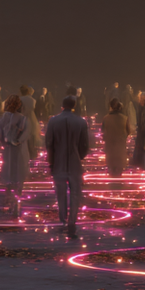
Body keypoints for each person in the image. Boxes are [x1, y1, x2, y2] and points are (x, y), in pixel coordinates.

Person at [45, 95, 90, 240]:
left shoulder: (53, 121)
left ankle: (63, 219)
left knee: (61, 193)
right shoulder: (81, 122)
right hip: (75, 162)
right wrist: (79, 156)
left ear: (62, 105)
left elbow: (49, 143)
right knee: (76, 193)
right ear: (74, 105)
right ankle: (72, 220)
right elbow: (84, 145)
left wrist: (51, 161)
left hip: (58, 161)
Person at [0, 95, 30, 217]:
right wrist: (17, 141)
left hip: (7, 150)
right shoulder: (23, 119)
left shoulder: (1, 119)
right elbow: (26, 134)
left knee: (9, 175)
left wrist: (5, 143)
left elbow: (0, 136)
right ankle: (17, 201)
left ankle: (10, 201)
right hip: (20, 150)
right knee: (19, 175)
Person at [101, 98, 131, 178]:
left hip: (110, 145)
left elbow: (103, 131)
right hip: (120, 145)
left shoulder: (106, 118)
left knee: (111, 167)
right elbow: (129, 131)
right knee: (119, 166)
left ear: (110, 107)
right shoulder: (124, 118)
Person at [19, 85, 41, 159]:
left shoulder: (19, 99)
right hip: (31, 117)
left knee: (22, 134)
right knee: (31, 135)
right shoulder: (32, 100)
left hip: (22, 117)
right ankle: (31, 152)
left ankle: (24, 152)